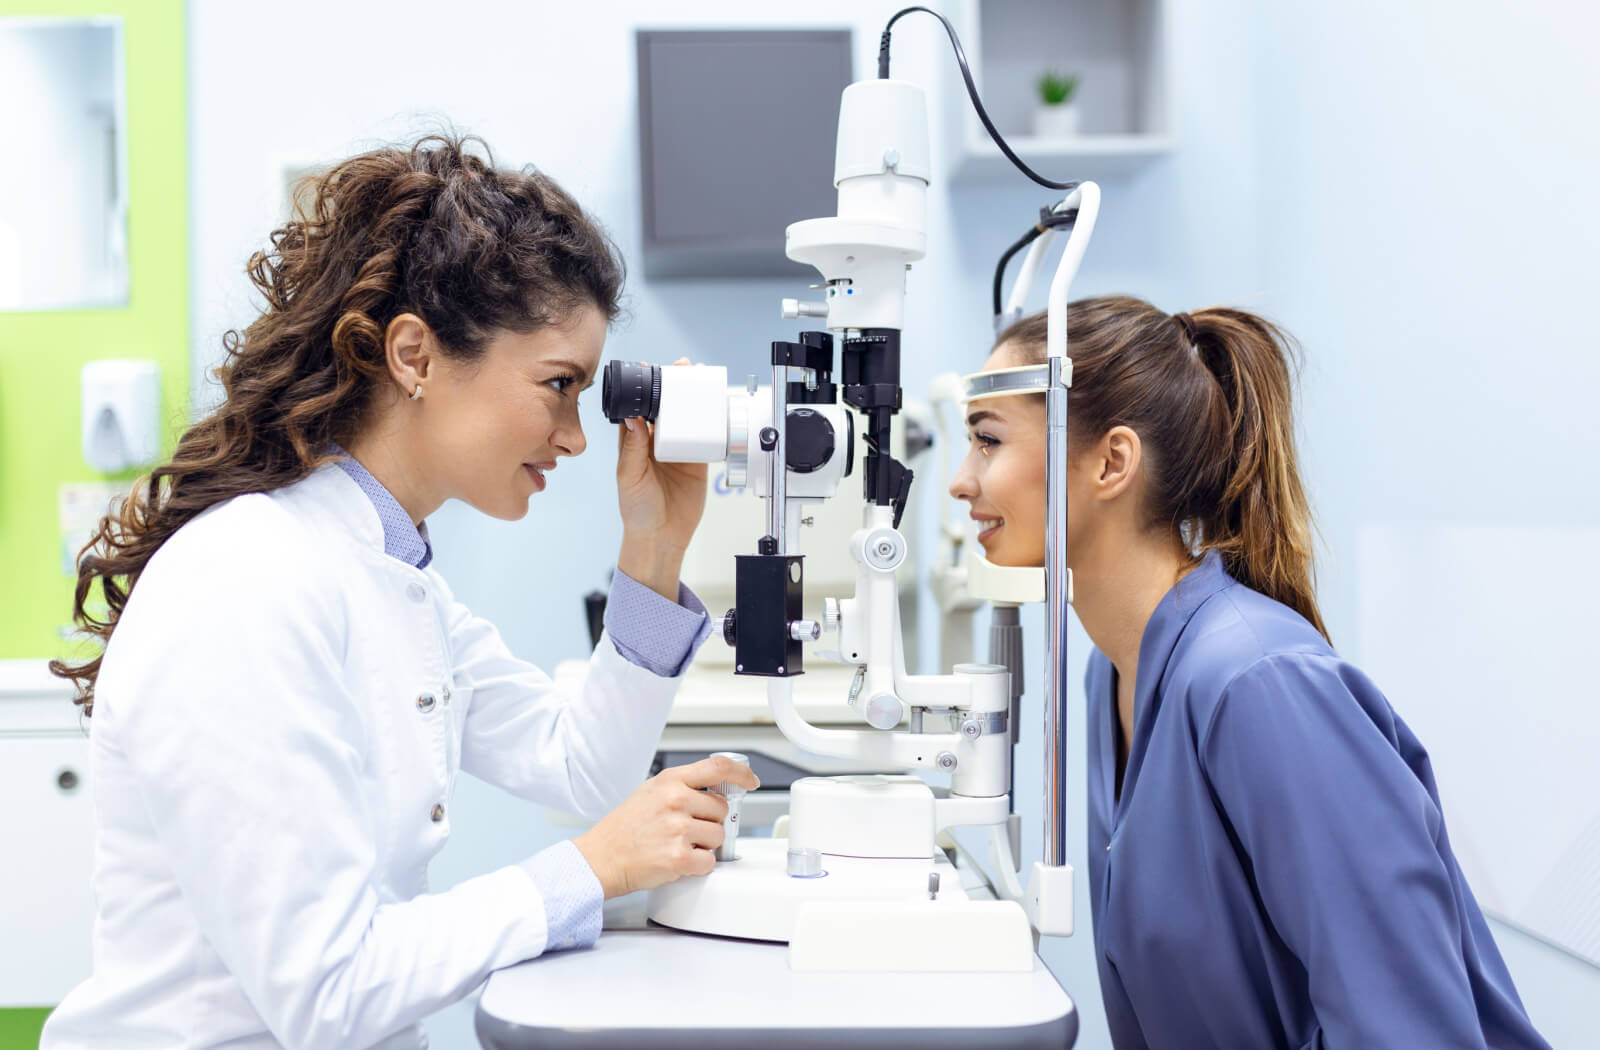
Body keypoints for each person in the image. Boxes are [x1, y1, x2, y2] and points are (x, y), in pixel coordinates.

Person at [42, 134, 757, 1050]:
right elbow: (329, 991)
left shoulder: (392, 575)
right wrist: (587, 870)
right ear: (415, 356)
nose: (576, 439)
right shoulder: (249, 582)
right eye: (558, 386)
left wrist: (653, 547)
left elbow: (580, 767)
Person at [948, 296, 1549, 1049]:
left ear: (1110, 462)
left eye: (986, 441)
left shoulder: (1257, 682)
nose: (960, 481)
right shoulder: (1111, 679)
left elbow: (1413, 1031)